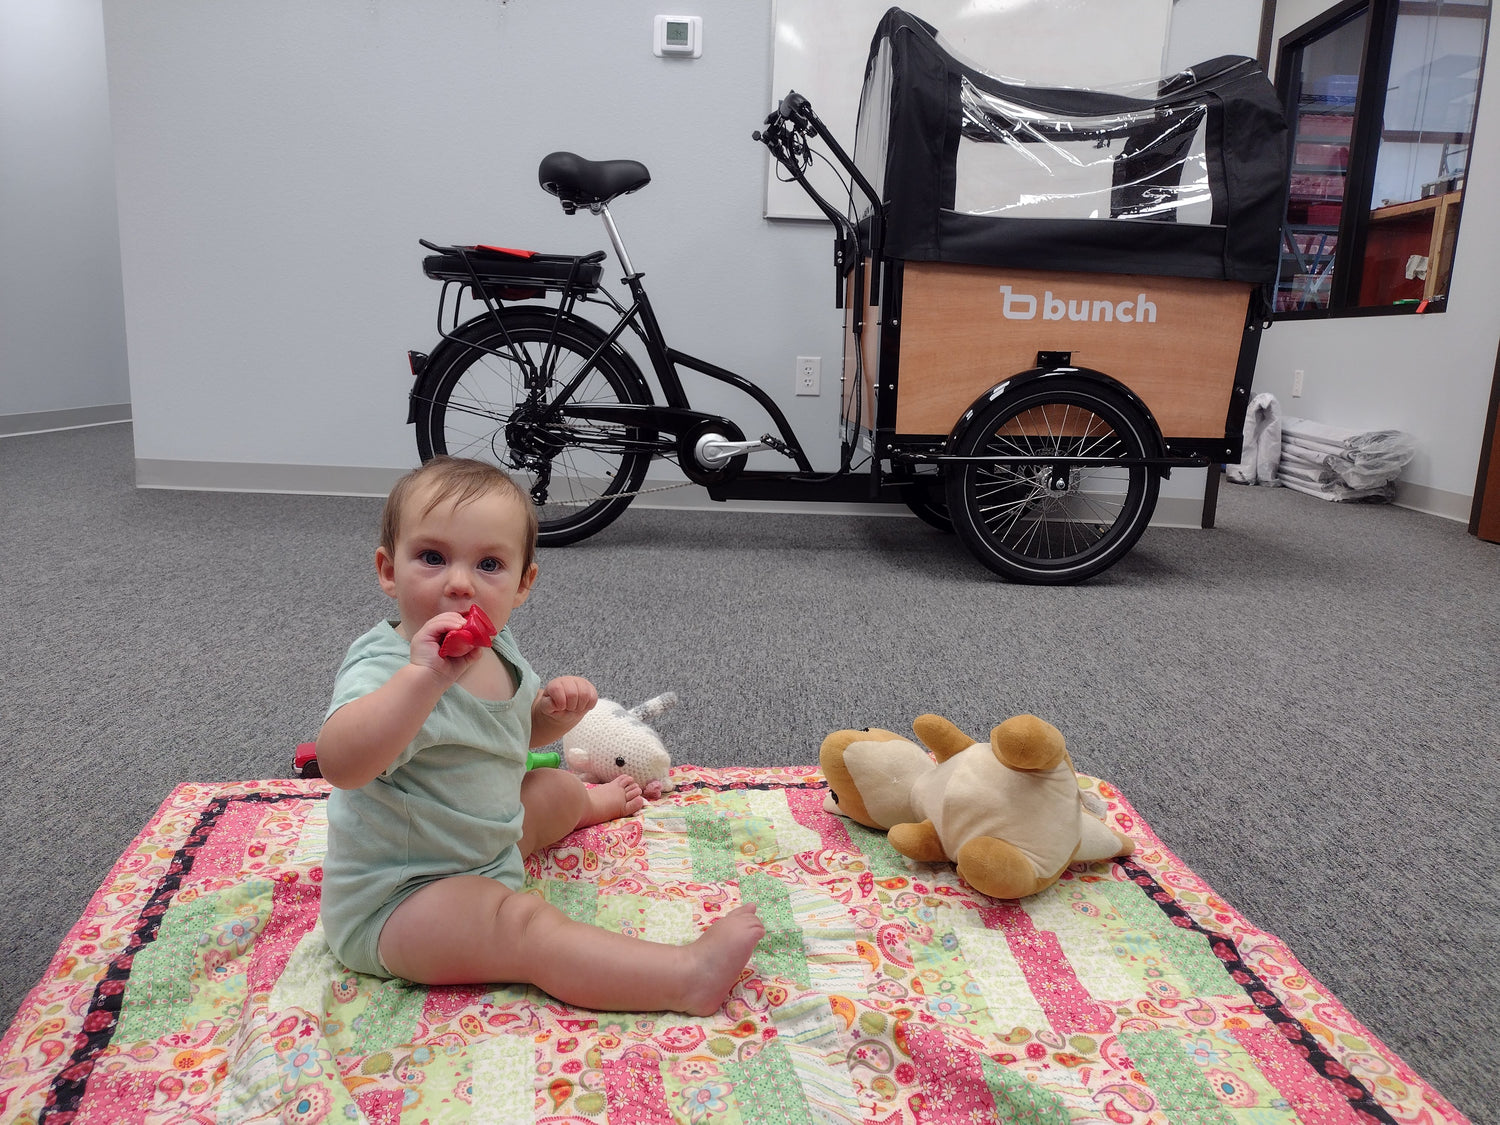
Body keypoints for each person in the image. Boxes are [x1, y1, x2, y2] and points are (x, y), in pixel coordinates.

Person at [315, 456, 763, 1015]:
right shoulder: (387, 666)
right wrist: (422, 679)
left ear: (523, 583)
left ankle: (591, 804)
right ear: (388, 569)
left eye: (489, 564)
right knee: (523, 925)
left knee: (552, 786)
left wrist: (553, 717)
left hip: (484, 845)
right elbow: (341, 764)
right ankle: (683, 977)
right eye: (432, 558)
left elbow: (507, 737)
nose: (458, 583)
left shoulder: (498, 650)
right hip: (402, 897)